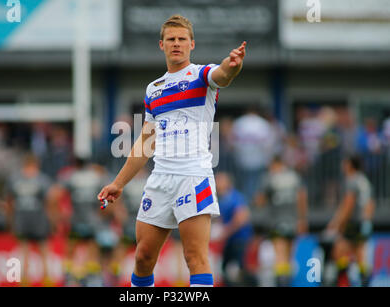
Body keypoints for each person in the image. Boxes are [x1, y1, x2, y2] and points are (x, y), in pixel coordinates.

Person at [98, 14, 246, 287]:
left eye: (181, 39)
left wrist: (233, 65)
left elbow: (223, 75)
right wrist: (118, 183)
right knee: (142, 258)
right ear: (161, 45)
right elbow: (145, 142)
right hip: (160, 179)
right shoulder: (153, 89)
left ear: (192, 44)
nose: (176, 43)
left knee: (195, 257)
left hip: (193, 176)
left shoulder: (202, 75)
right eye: (171, 39)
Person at [254, 156, 308, 287]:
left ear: (274, 164)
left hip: (277, 222)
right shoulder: (294, 177)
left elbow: (259, 201)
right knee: (289, 258)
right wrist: (303, 220)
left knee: (280, 257)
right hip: (294, 221)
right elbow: (302, 197)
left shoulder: (270, 178)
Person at [5, 153, 59, 286]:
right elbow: (50, 202)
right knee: (44, 250)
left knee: (24, 250)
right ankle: (46, 279)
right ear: (36, 165)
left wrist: (10, 220)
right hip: (39, 220)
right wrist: (53, 221)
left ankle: (24, 280)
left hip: (21, 219)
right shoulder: (42, 180)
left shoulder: (15, 179)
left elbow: (9, 202)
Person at [322, 155, 375, 287]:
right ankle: (364, 282)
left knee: (339, 252)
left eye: (345, 163)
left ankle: (343, 283)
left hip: (353, 222)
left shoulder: (351, 181)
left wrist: (338, 223)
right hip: (363, 222)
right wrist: (367, 221)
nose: (343, 166)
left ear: (351, 165)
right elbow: (370, 203)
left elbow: (348, 205)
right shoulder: (364, 181)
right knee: (360, 255)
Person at [57, 157, 107, 286]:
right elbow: (106, 197)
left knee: (70, 251)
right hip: (92, 220)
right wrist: (102, 213)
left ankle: (69, 279)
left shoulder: (70, 176)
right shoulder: (96, 176)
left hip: (75, 220)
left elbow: (55, 195)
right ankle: (93, 281)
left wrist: (62, 214)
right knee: (92, 251)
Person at [215, 171, 254, 286]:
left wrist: (225, 231)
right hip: (229, 241)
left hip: (239, 240)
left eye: (219, 180)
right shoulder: (220, 198)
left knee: (236, 270)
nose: (216, 182)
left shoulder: (234, 197)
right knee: (226, 269)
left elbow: (242, 217)